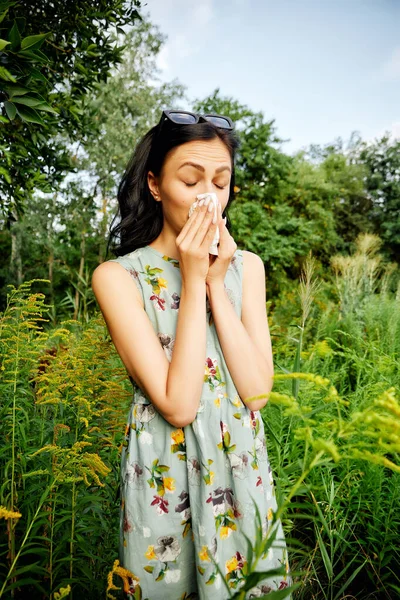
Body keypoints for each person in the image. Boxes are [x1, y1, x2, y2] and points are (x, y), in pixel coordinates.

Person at [91, 110, 292, 599]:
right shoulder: (119, 277)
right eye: (190, 179)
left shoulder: (247, 268)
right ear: (156, 186)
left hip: (239, 463)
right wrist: (194, 273)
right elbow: (178, 405)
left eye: (221, 182)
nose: (209, 196)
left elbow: (257, 392)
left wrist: (217, 282)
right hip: (166, 473)